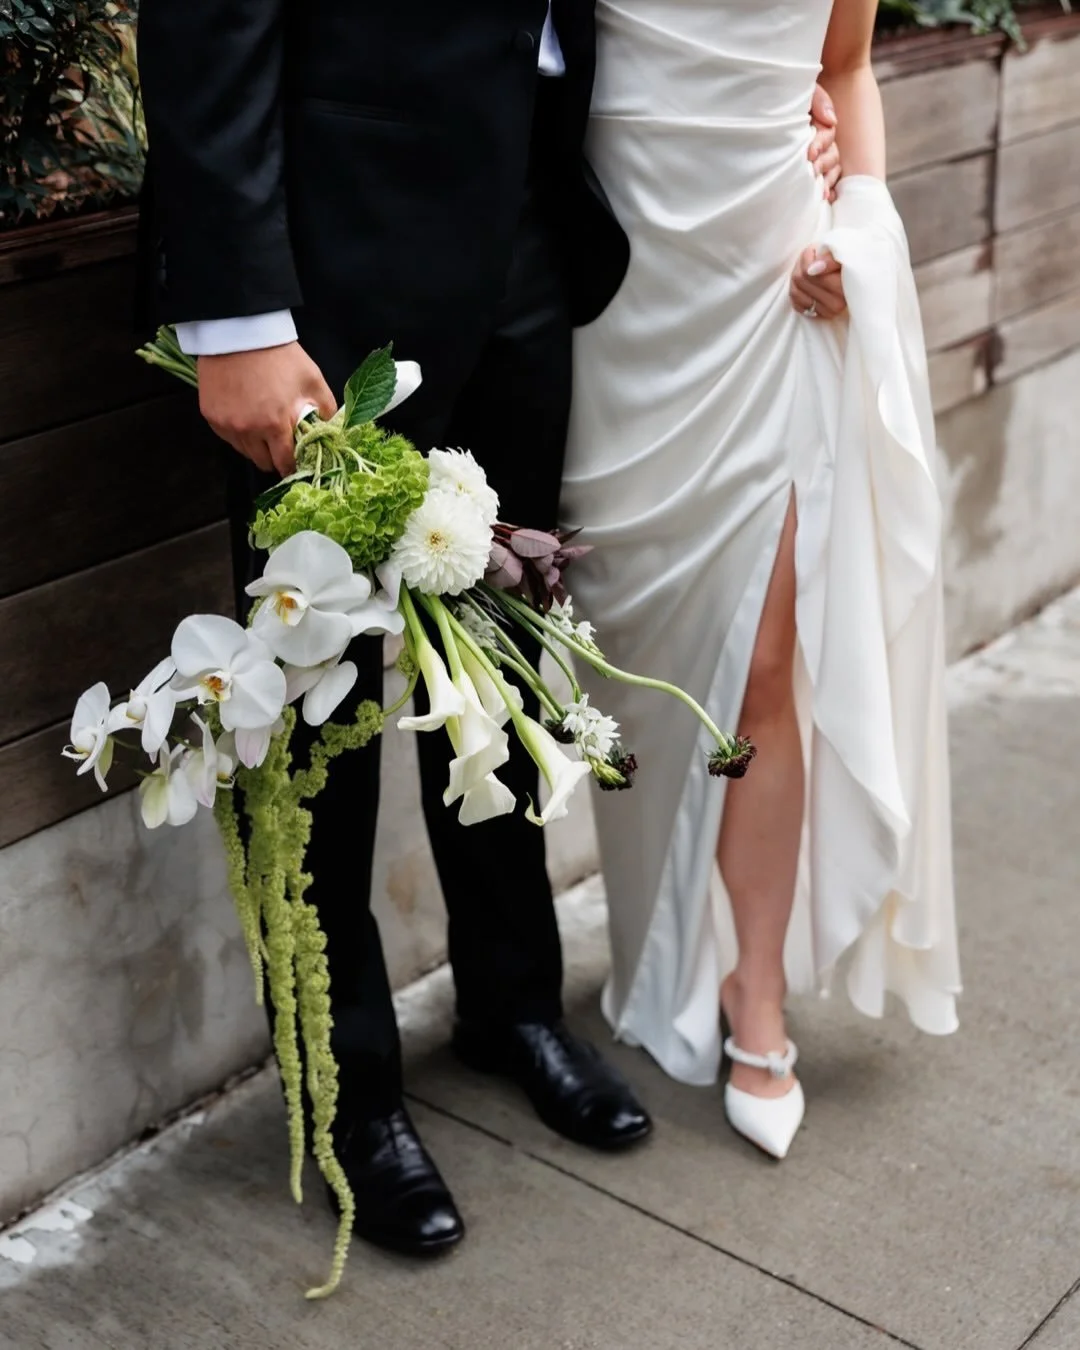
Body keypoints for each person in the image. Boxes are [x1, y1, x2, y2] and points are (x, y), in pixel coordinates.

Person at [135, 0, 840, 1253]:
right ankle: (345, 1083)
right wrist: (239, 313)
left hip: (528, 223)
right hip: (333, 248)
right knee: (317, 691)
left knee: (509, 644)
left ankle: (512, 1004)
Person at [562, 0, 962, 1161]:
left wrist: (859, 222)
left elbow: (849, 64)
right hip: (621, 294)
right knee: (635, 661)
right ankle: (653, 948)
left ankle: (759, 994)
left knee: (765, 662)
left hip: (775, 287)